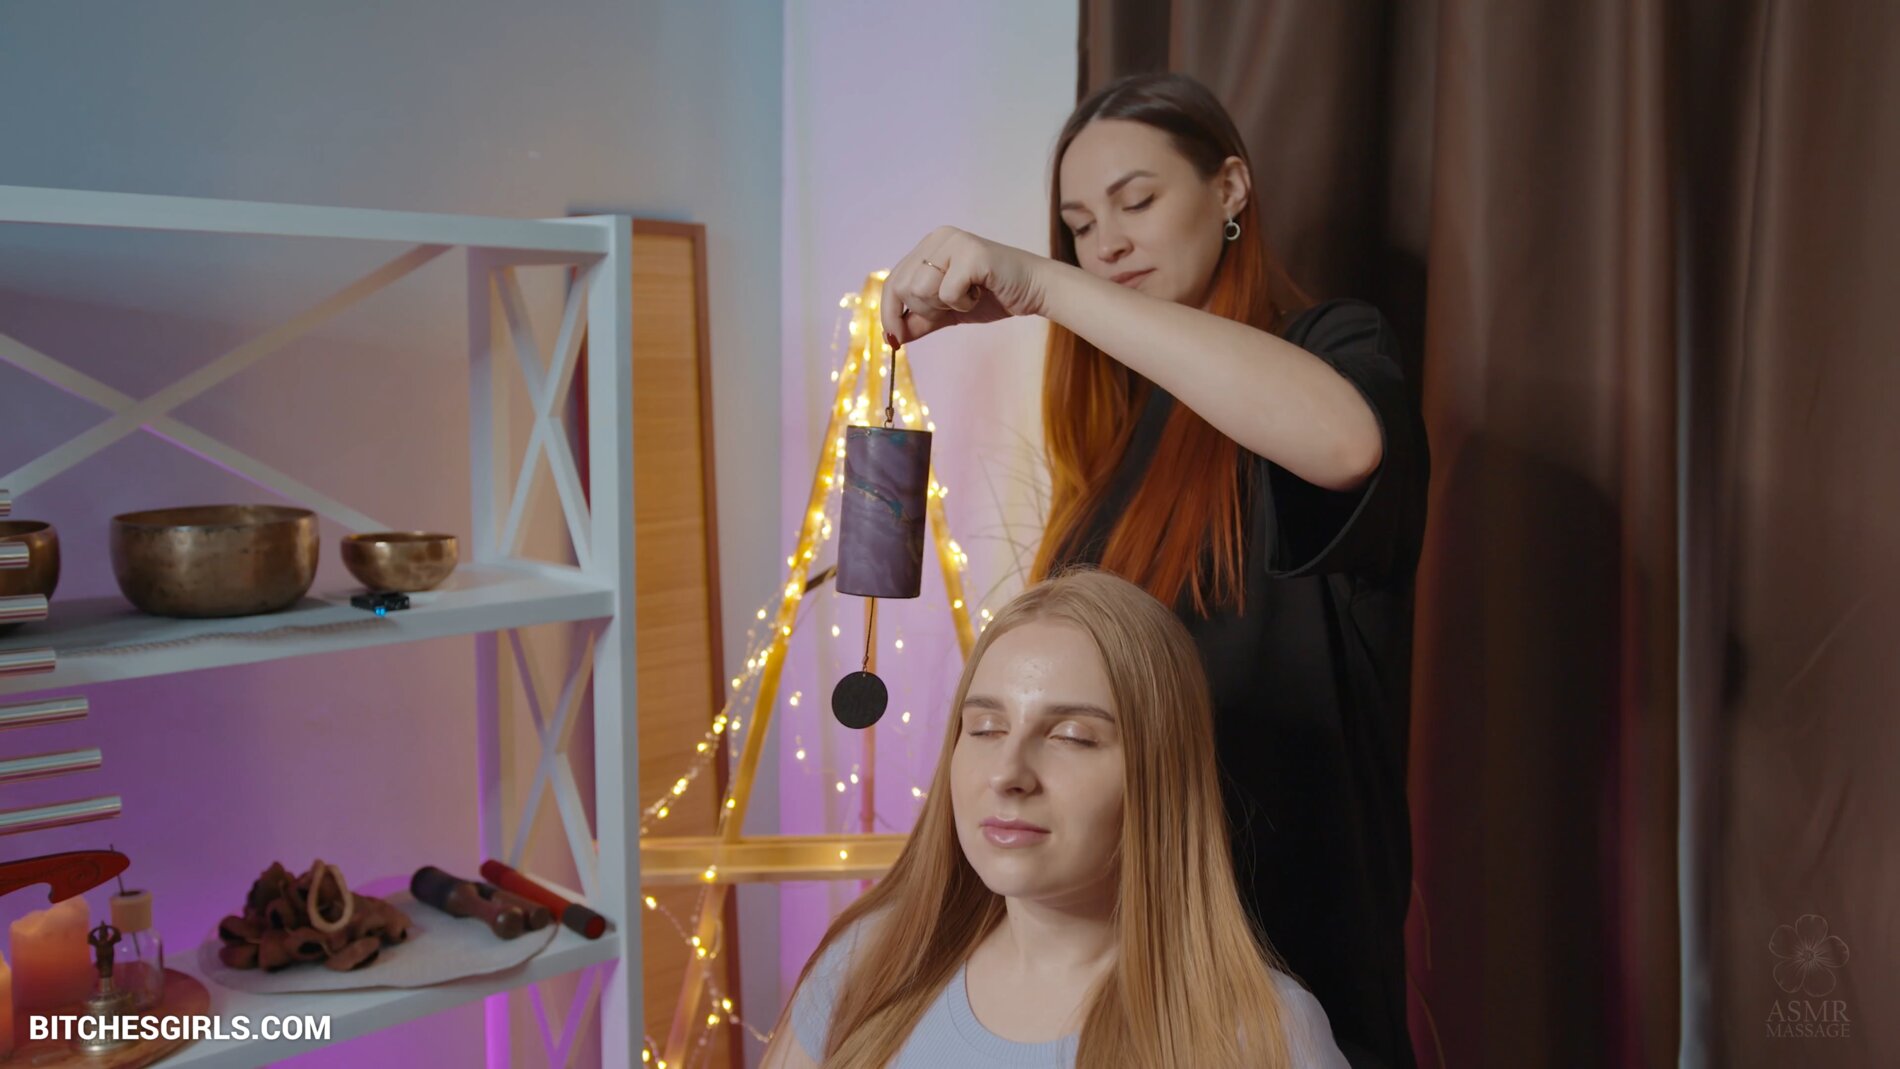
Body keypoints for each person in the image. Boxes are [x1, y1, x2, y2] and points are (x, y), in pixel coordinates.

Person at [875, 73, 1428, 1068]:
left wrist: (1044, 286)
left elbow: (1346, 445)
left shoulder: (1329, 351)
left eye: (1136, 201)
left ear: (1230, 189)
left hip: (1289, 956)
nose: (1108, 244)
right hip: (1134, 980)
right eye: (1080, 226)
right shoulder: (1116, 446)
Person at [760, 569, 1349, 1069]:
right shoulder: (867, 964)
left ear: (1160, 775)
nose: (1008, 772)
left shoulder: (1262, 1036)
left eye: (1071, 736)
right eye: (985, 729)